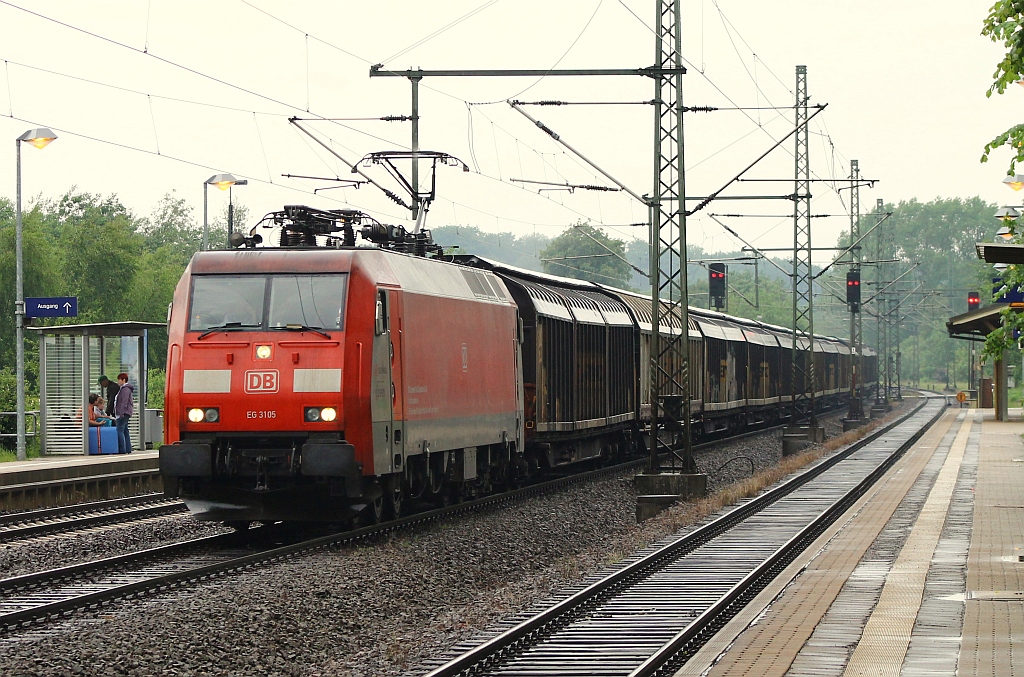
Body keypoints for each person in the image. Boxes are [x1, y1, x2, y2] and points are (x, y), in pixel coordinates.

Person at [113, 372, 135, 454]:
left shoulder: (125, 389)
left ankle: (122, 449)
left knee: (120, 430)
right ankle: (128, 448)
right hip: (125, 412)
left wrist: (121, 413)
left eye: (119, 380)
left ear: (123, 380)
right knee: (125, 430)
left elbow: (124, 402)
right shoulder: (125, 389)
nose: (118, 382)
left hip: (123, 413)